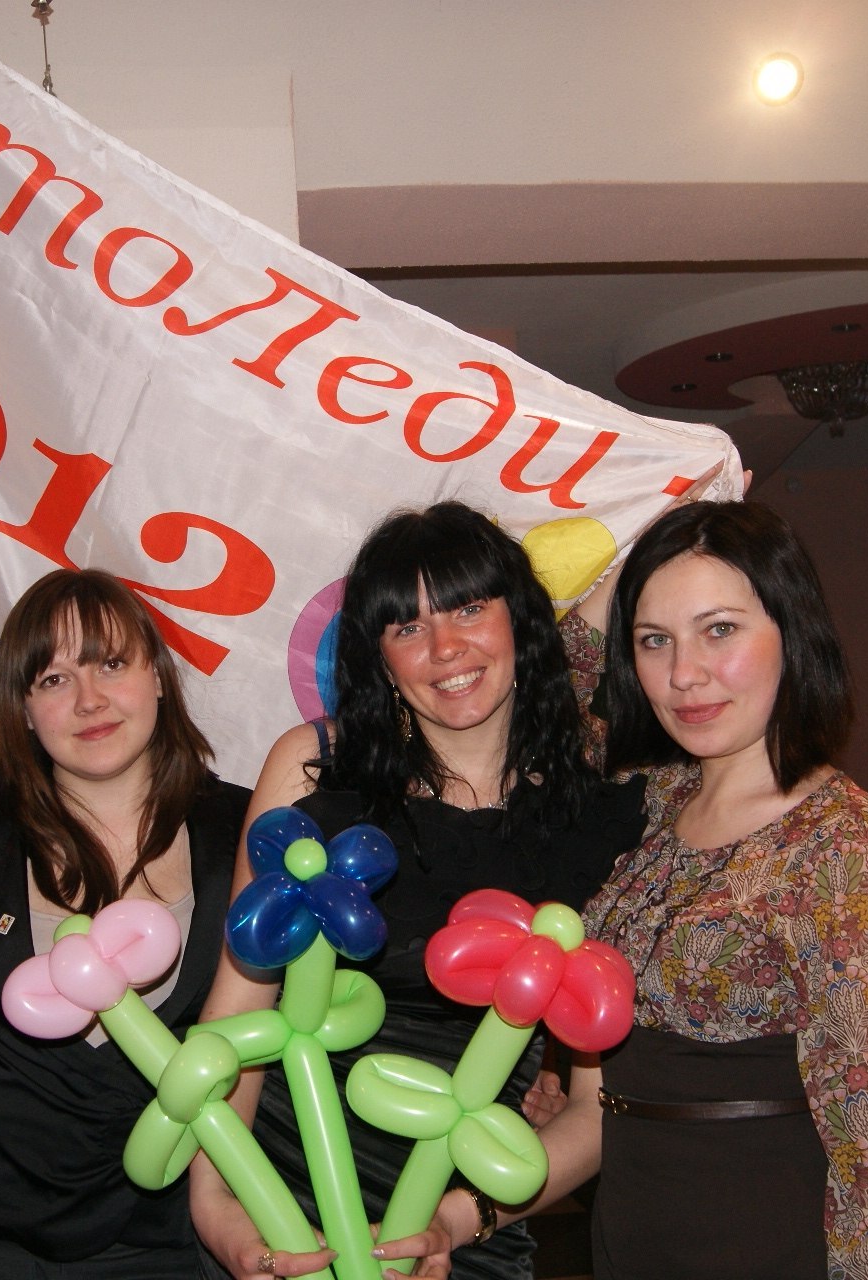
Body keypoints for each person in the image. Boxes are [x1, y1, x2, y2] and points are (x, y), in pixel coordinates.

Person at [190, 501, 647, 1280]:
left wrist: (459, 1222)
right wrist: (218, 1206)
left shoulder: (600, 818)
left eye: (469, 608)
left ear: (520, 620)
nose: (445, 649)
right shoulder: (314, 772)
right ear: (379, 657)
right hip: (285, 1216)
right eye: (408, 627)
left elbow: (596, 1105)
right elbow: (237, 1015)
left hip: (466, 1227)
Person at [544, 499, 868, 1277]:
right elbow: (530, 717)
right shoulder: (653, 801)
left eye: (720, 629)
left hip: (765, 1243)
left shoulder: (850, 851)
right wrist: (632, 541)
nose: (683, 674)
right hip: (631, 1233)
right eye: (654, 640)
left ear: (792, 632)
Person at [0, 569, 249, 1279]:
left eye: (110, 664)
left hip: (170, 1242)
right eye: (53, 680)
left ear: (158, 677)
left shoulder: (247, 837)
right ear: (23, 710)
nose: (89, 700)